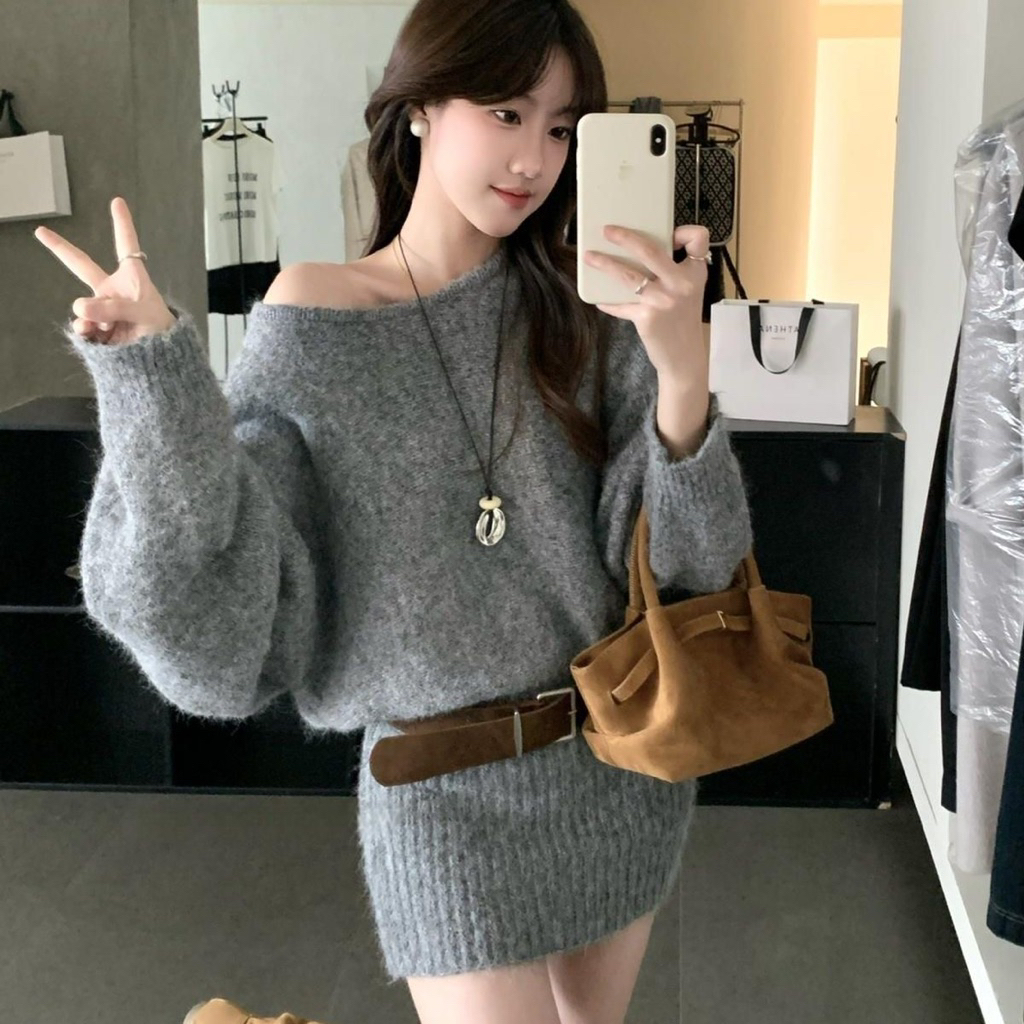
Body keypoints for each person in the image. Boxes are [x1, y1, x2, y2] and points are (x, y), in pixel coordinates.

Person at [34, 1, 753, 1021]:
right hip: (435, 790)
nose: (534, 158)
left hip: (615, 766)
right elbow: (222, 578)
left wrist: (682, 375)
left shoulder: (590, 315)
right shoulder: (315, 317)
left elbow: (695, 564)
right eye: (505, 112)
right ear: (418, 106)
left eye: (560, 127)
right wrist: (154, 379)